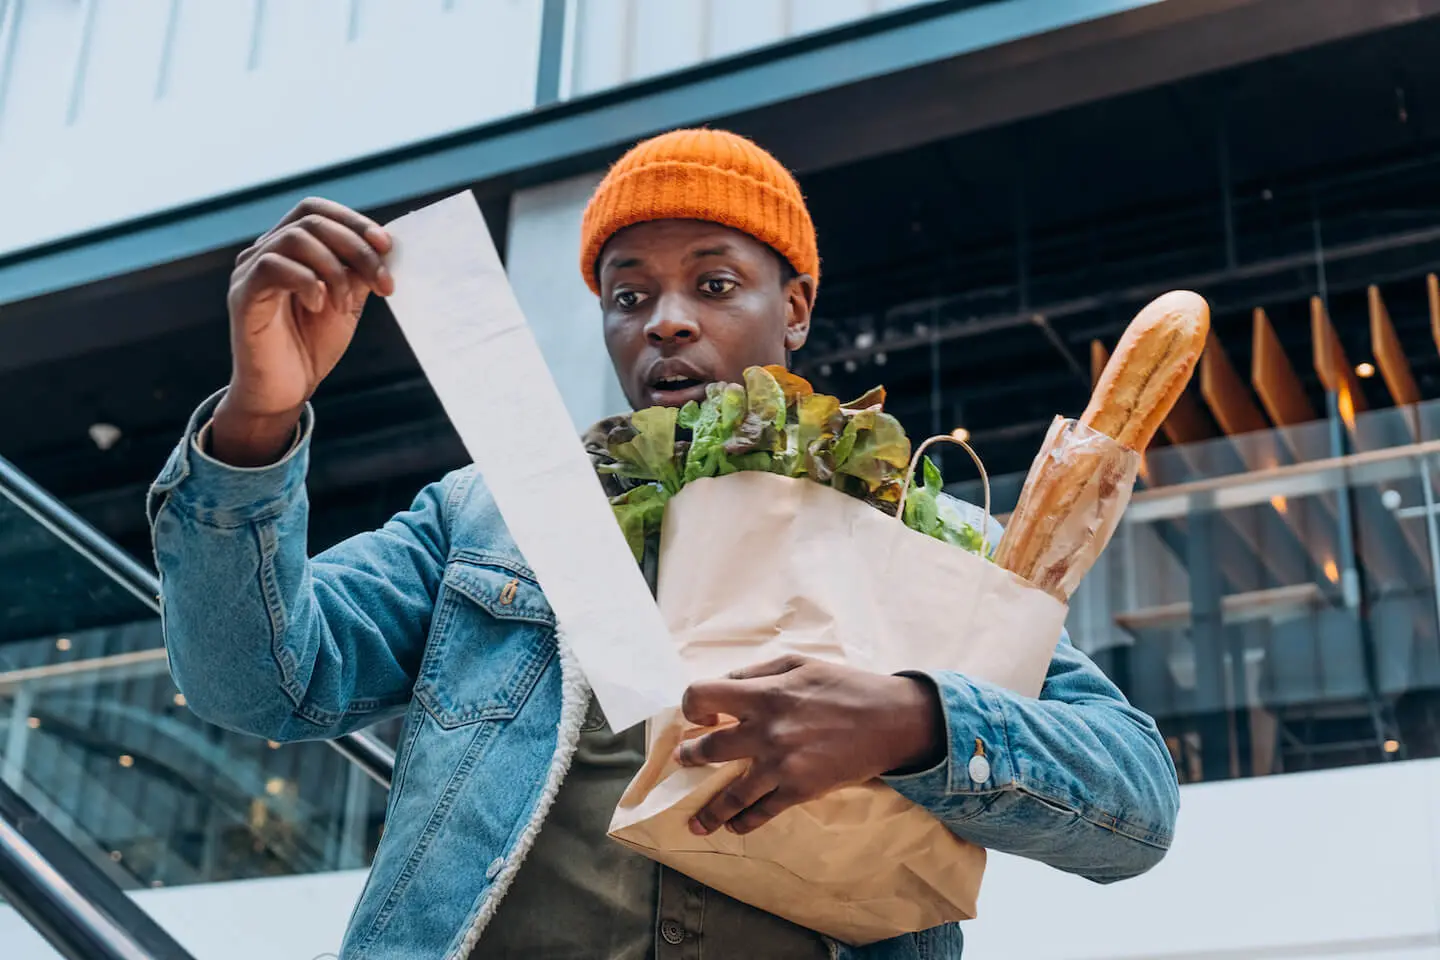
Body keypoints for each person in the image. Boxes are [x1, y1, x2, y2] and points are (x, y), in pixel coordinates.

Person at [149, 129, 1179, 959]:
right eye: (629, 297)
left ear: (798, 310)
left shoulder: (929, 532)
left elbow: (1135, 805)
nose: (666, 323)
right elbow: (259, 686)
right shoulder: (493, 513)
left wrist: (915, 721)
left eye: (717, 285)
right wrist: (257, 420)